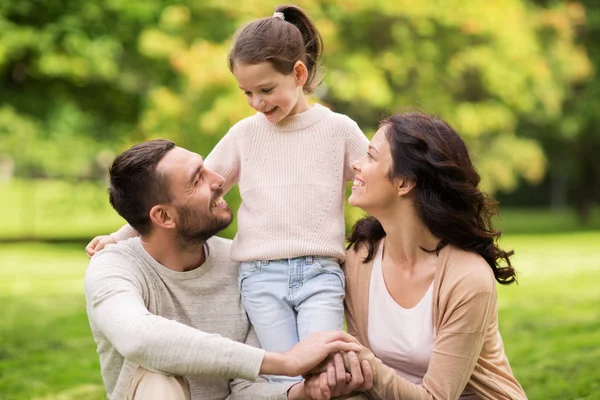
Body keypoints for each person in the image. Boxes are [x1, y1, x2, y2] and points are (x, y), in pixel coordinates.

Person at [86, 4, 369, 382]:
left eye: (266, 90)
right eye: (247, 92)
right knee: (283, 379)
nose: (257, 103)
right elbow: (180, 196)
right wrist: (120, 236)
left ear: (298, 73)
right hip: (261, 278)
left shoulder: (339, 130)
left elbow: (380, 182)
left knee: (326, 372)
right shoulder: (245, 135)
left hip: (321, 275)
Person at [84, 139, 367, 400]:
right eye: (198, 180)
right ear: (164, 216)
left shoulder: (245, 262)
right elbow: (139, 338)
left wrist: (303, 390)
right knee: (158, 378)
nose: (220, 180)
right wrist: (285, 362)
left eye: (206, 168)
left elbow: (245, 388)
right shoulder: (112, 266)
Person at [303, 112, 527, 399]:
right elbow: (364, 380)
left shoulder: (467, 278)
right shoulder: (360, 260)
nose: (356, 165)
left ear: (404, 182)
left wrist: (361, 360)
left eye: (370, 157)